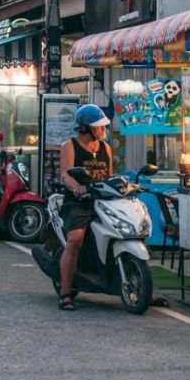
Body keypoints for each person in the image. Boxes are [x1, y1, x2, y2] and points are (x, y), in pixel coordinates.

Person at [57, 104, 113, 311]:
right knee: (74, 240)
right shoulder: (69, 146)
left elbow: (110, 177)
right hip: (78, 203)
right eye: (98, 126)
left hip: (103, 201)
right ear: (85, 128)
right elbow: (65, 175)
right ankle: (65, 292)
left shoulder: (105, 147)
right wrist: (77, 188)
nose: (102, 130)